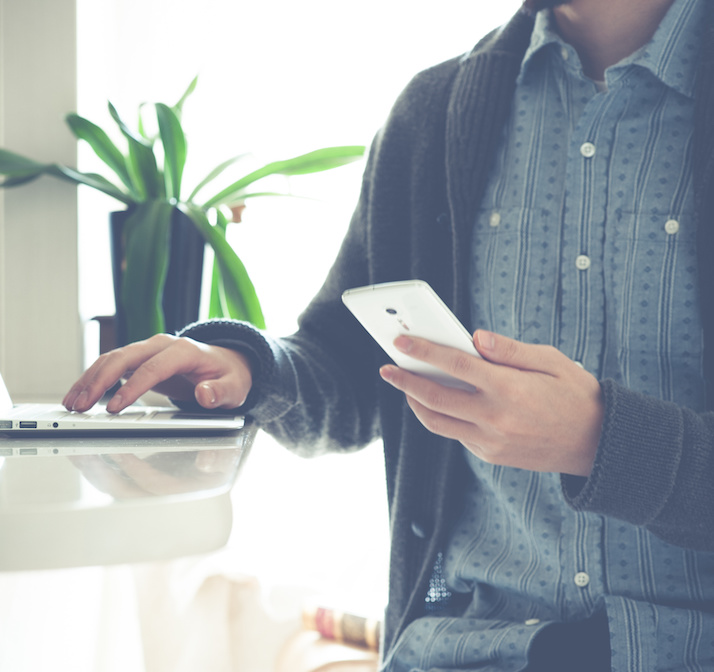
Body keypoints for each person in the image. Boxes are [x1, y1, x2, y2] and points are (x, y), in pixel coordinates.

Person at [64, 0, 714, 669]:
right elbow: (348, 366)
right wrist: (247, 367)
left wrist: (602, 441)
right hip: (465, 650)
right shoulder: (432, 115)